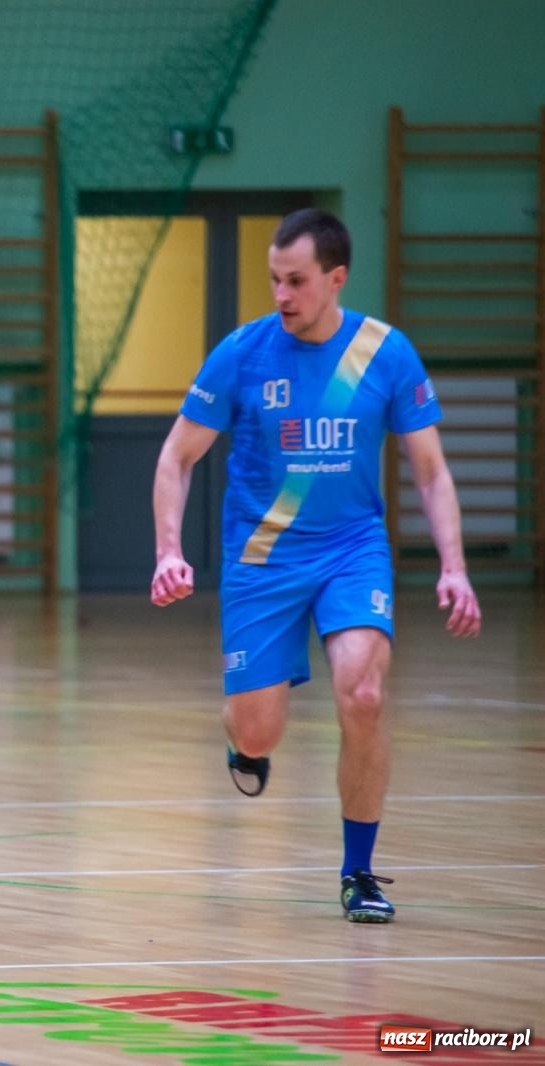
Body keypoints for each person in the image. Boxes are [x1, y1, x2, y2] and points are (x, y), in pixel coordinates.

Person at [151, 208, 481, 923]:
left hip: (350, 550)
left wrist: (452, 566)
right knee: (258, 731)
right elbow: (176, 457)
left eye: (295, 281)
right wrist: (168, 551)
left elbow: (430, 472)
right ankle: (241, 738)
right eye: (274, 279)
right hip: (262, 557)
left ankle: (359, 873)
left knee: (362, 694)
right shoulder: (242, 353)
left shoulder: (385, 354)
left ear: (336, 278)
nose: (281, 294)